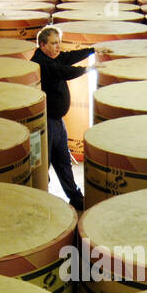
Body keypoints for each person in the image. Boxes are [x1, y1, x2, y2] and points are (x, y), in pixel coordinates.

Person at [31, 26, 106, 212]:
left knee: (63, 161)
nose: (58, 47)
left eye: (59, 43)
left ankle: (75, 197)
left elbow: (68, 57)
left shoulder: (53, 57)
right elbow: (63, 71)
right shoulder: (41, 62)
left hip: (57, 121)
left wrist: (93, 50)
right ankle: (40, 201)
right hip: (45, 122)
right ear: (42, 45)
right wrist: (88, 69)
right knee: (43, 166)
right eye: (54, 43)